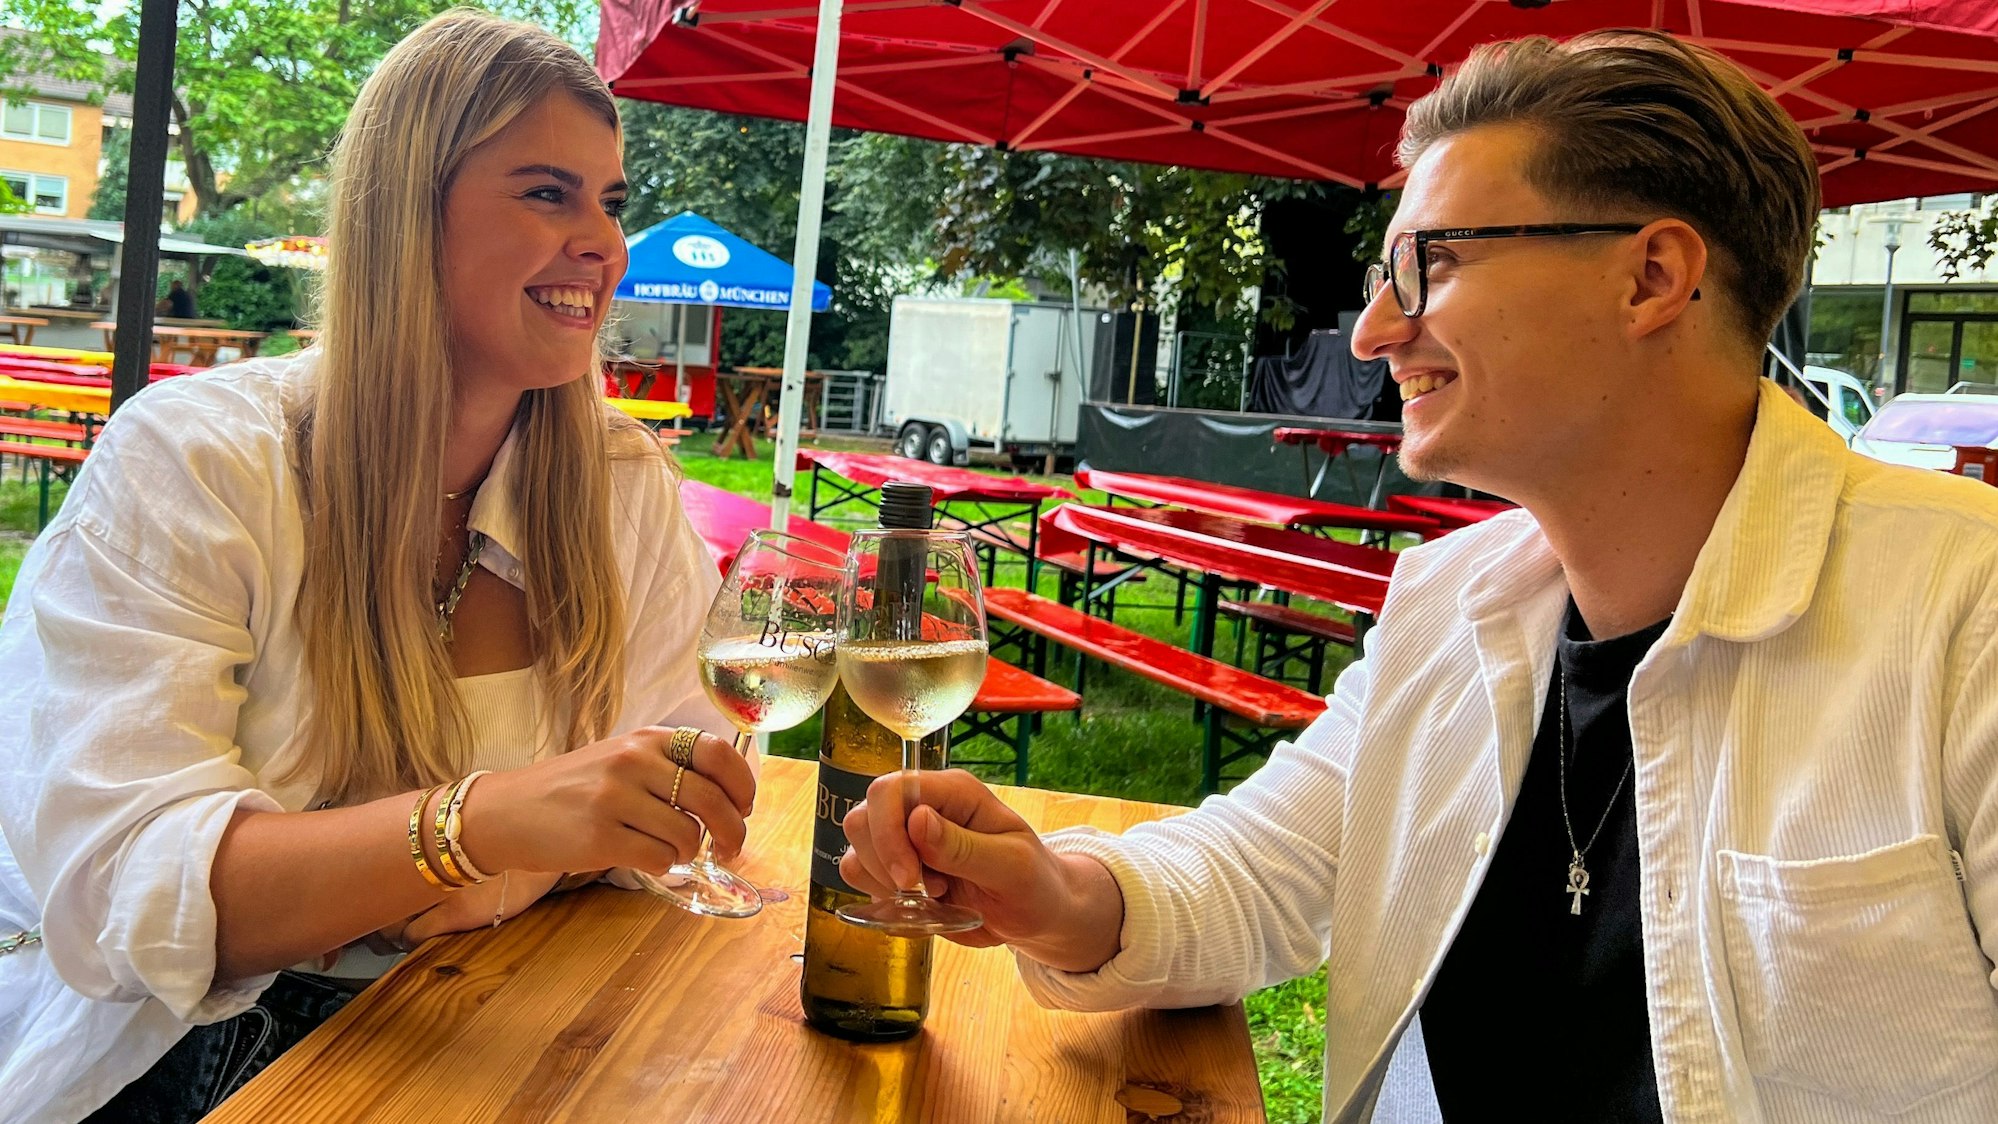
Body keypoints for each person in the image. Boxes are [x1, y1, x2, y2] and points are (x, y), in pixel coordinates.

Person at [842, 30, 1998, 1123]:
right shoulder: (1452, 600)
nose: (1373, 331)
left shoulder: (1961, 608)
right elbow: (1267, 863)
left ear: (1651, 277)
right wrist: (1059, 893)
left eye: (1430, 263)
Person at [0, 12, 747, 1123]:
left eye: (611, 200)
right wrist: (475, 829)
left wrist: (559, 841)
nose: (603, 239)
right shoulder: (201, 460)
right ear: (407, 214)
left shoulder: (615, 481)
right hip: (188, 1055)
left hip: (501, 1001)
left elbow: (684, 781)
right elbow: (128, 892)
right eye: (548, 192)